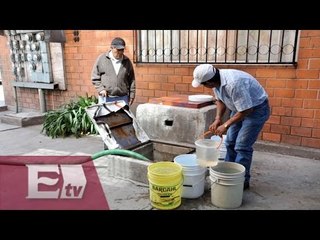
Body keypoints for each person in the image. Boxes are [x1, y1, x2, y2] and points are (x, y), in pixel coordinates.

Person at [191, 64, 270, 190]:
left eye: (203, 84)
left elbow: (247, 110)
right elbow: (221, 101)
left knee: (242, 146)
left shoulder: (234, 83)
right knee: (230, 142)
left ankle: (241, 181)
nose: (203, 86)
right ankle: (228, 172)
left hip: (256, 109)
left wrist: (226, 124)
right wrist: (218, 119)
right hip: (239, 108)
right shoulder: (217, 81)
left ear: (210, 82)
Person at [91, 37, 135, 106]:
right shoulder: (102, 59)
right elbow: (95, 77)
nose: (120, 52)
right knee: (106, 117)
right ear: (111, 48)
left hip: (122, 98)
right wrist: (101, 89)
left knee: (122, 117)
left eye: (122, 50)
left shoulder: (127, 61)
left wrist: (132, 95)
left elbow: (132, 80)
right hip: (106, 97)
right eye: (118, 50)